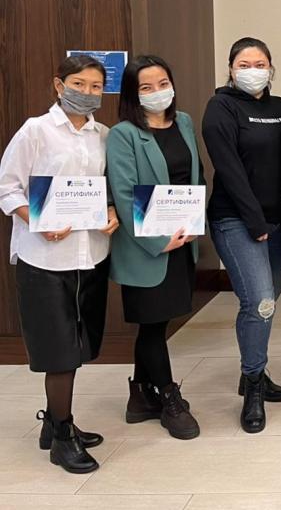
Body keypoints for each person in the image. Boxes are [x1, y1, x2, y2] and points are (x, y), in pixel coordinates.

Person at [0, 55, 119, 474]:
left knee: (78, 344)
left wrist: (111, 212)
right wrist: (38, 219)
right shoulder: (36, 130)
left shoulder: (104, 135)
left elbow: (107, 189)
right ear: (58, 84)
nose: (87, 93)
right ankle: (63, 439)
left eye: (95, 86)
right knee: (59, 351)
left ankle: (54, 423)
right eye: (78, 84)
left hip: (90, 255)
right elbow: (8, 188)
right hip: (44, 259)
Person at [107, 55, 203, 440]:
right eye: (146, 87)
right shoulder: (124, 134)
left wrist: (194, 223)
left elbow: (195, 177)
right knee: (151, 323)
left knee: (158, 322)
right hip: (145, 246)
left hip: (182, 240)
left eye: (163, 84)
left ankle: (139, 397)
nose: (157, 92)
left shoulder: (184, 122)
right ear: (133, 94)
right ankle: (169, 398)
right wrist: (159, 241)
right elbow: (124, 193)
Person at [202, 37, 281, 434]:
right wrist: (255, 222)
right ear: (230, 68)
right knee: (259, 302)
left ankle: (254, 371)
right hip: (236, 219)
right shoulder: (220, 107)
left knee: (269, 300)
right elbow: (229, 169)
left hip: (279, 222)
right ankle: (253, 385)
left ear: (271, 69)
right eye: (244, 64)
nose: (252, 71)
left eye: (260, 64)